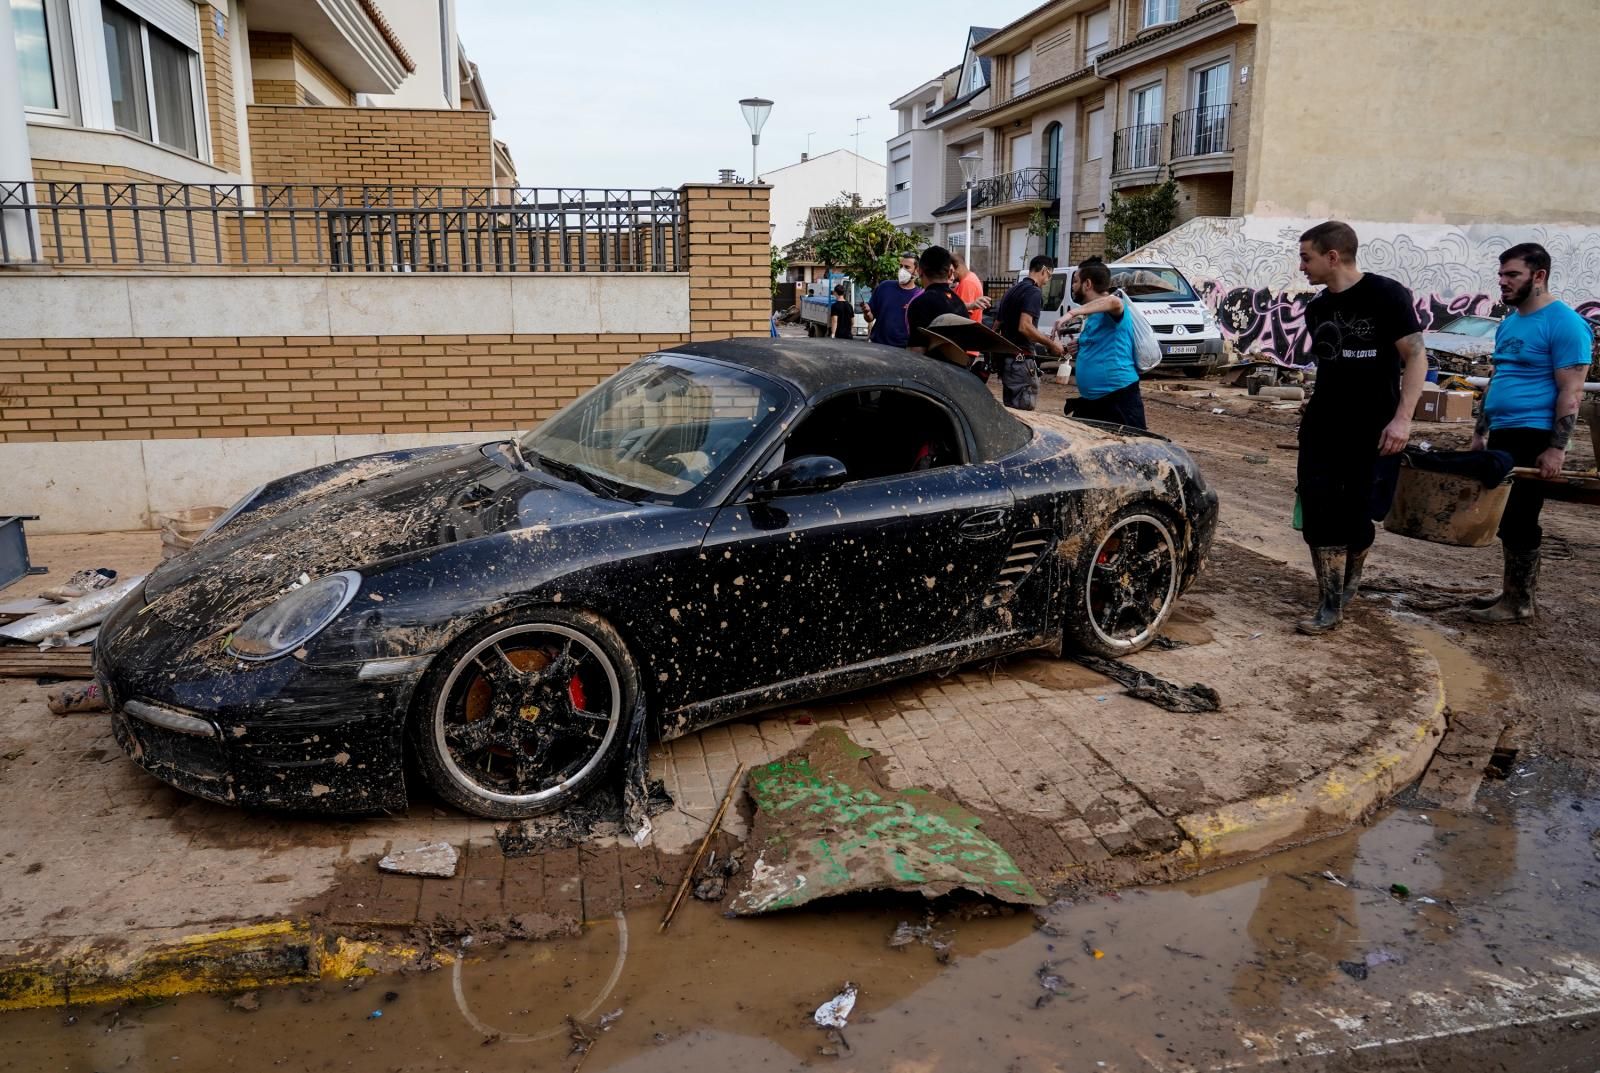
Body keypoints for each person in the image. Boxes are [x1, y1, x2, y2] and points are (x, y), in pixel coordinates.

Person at [1293, 221, 1426, 636]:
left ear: (1333, 257)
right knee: (1317, 506)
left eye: (1306, 257)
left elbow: (1416, 357)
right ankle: (1329, 605)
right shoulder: (1316, 308)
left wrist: (1403, 418)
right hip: (1323, 423)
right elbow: (1330, 366)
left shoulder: (1386, 295)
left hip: (1373, 424)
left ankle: (1351, 572)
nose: (1302, 266)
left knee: (1357, 514)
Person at [1466, 243, 1592, 624]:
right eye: (1501, 275)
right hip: (1503, 432)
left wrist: (1557, 448)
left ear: (1539, 276)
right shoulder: (1510, 322)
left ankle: (1520, 602)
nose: (1502, 282)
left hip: (1534, 433)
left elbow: (1571, 393)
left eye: (1512, 275)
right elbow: (1498, 378)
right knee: (1504, 516)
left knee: (1521, 517)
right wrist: (1480, 432)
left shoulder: (1565, 323)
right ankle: (1511, 592)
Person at [1056, 256, 1143, 428]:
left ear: (1087, 284)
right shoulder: (1094, 314)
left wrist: (1072, 313)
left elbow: (1114, 301)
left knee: (1128, 451)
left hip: (1118, 400)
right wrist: (1082, 346)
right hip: (1092, 401)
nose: (1073, 287)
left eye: (1075, 281)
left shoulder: (1114, 305)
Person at [991, 255, 1065, 408]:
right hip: (1021, 363)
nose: (1047, 281)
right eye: (1049, 276)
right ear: (1044, 270)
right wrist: (1051, 344)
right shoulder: (1033, 292)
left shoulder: (1011, 291)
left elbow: (996, 326)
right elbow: (1025, 326)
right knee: (1024, 412)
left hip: (1007, 363)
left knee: (1012, 413)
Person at [905, 246, 971, 354]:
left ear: (920, 271)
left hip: (931, 370)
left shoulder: (920, 304)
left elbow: (916, 353)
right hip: (958, 370)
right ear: (950, 273)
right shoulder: (959, 304)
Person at [863, 253, 922, 348]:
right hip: (877, 345)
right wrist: (867, 313)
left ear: (917, 271)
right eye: (901, 266)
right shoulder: (884, 286)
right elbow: (869, 318)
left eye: (907, 267)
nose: (902, 270)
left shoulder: (919, 296)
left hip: (902, 350)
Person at [951, 252, 991, 323]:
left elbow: (964, 315)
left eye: (951, 270)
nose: (950, 275)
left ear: (958, 266)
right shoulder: (970, 277)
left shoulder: (967, 282)